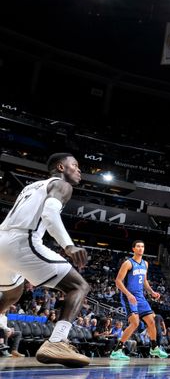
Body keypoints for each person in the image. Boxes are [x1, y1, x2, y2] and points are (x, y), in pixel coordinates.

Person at [0, 153, 91, 367]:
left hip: (2, 239)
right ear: (61, 167)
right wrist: (69, 246)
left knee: (13, 292)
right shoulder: (62, 184)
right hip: (22, 241)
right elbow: (50, 213)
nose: (79, 171)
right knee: (79, 286)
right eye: (75, 166)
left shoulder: (31, 187)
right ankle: (57, 341)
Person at [110, 240, 168, 360]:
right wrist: (128, 294)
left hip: (140, 297)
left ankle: (154, 348)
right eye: (138, 246)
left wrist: (151, 292)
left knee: (152, 321)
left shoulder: (145, 263)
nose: (141, 248)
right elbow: (118, 281)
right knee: (135, 323)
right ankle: (116, 350)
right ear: (133, 249)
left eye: (142, 246)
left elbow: (145, 281)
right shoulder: (128, 263)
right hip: (129, 296)